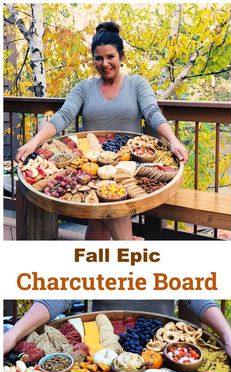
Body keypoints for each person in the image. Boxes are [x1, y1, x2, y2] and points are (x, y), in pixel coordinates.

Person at [16, 21, 188, 240]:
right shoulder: (84, 88)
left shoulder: (137, 84)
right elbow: (63, 115)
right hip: (91, 169)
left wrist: (172, 140)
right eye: (99, 58)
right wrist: (33, 142)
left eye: (110, 57)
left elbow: (153, 113)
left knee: (101, 223)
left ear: (122, 57)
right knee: (105, 218)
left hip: (126, 167)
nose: (104, 63)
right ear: (93, 60)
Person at [4, 299, 231, 358]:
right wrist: (13, 334)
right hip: (103, 349)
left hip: (154, 349)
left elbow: (199, 300)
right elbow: (57, 298)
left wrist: (228, 336)